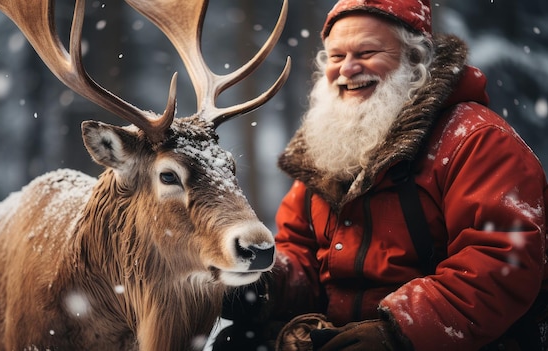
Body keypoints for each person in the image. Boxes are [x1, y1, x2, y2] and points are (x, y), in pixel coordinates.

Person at [214, 0, 548, 350]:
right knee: (237, 341)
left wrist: (398, 333)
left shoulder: (477, 140)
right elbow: (301, 254)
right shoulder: (324, 150)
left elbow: (502, 262)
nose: (348, 69)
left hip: (444, 341)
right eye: (336, 56)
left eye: (367, 52)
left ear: (415, 59)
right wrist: (261, 287)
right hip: (339, 335)